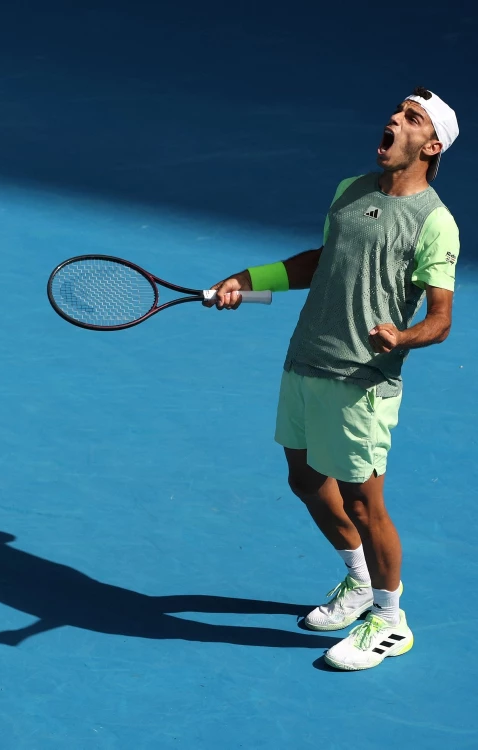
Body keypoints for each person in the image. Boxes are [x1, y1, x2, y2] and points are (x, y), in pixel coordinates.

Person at [205, 87, 460, 670]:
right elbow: (323, 263)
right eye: (397, 111)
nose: (396, 119)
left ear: (433, 144)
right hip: (306, 358)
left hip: (361, 377)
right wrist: (249, 281)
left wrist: (403, 336)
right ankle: (360, 581)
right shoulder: (351, 191)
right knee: (303, 479)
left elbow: (441, 320)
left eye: (412, 117)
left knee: (364, 503)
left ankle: (391, 623)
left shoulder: (435, 224)